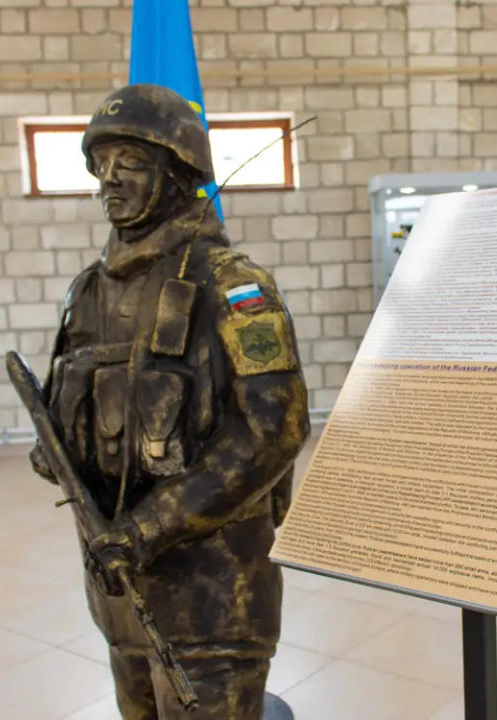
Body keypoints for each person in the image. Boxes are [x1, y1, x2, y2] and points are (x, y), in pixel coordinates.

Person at [29, 83, 310, 720]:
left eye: (129, 164)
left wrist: (146, 529)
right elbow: (71, 404)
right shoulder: (89, 293)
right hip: (120, 596)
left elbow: (275, 430)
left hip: (212, 596)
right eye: (101, 167)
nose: (110, 182)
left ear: (179, 174)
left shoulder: (236, 287)